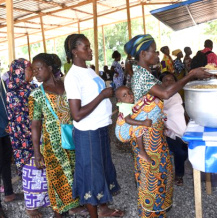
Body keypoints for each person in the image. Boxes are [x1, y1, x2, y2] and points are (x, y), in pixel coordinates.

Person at [122, 34, 211, 217]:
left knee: (161, 172)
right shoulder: (141, 76)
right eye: (154, 51)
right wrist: (191, 75)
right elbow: (166, 93)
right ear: (144, 54)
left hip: (154, 133)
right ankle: (151, 212)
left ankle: (159, 209)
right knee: (152, 175)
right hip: (146, 136)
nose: (157, 55)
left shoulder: (145, 73)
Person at [64, 34, 124, 218]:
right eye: (86, 47)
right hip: (87, 133)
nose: (91, 50)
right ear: (75, 51)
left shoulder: (89, 70)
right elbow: (77, 114)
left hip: (99, 128)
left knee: (102, 169)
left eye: (90, 47)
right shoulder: (72, 77)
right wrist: (102, 96)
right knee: (91, 175)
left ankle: (103, 208)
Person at [29, 53, 87, 218]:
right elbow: (35, 124)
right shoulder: (36, 95)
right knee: (57, 175)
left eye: (39, 68)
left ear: (49, 68)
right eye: (33, 70)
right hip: (52, 143)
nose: (36, 73)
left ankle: (75, 204)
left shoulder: (68, 85)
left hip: (74, 136)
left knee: (76, 170)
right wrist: (36, 151)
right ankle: (59, 209)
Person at [6, 58, 49, 218]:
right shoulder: (13, 92)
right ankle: (31, 208)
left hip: (37, 133)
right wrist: (36, 136)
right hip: (24, 139)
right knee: (32, 170)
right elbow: (21, 120)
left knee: (42, 170)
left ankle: (44, 200)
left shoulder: (31, 87)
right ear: (19, 72)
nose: (33, 72)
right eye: (29, 69)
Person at [159, 72, 188, 186]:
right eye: (166, 80)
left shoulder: (176, 95)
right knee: (180, 152)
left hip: (180, 129)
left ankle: (180, 168)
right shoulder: (159, 97)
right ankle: (179, 175)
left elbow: (180, 112)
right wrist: (162, 126)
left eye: (172, 80)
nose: (170, 82)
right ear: (160, 84)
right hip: (167, 131)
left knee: (186, 150)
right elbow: (156, 114)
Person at [115, 86, 153, 163]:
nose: (129, 95)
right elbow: (128, 120)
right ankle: (142, 152)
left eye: (130, 93)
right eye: (124, 95)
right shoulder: (124, 106)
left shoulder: (126, 104)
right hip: (122, 132)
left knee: (139, 121)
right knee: (139, 126)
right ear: (119, 100)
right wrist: (143, 123)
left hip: (123, 129)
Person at [0, 76, 12, 218]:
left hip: (5, 130)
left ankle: (9, 191)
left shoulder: (1, 82)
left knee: (6, 161)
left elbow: (5, 104)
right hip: (3, 127)